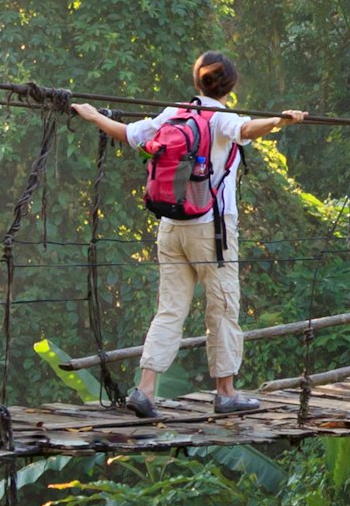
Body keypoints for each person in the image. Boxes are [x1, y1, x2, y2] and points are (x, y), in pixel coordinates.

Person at [63, 53, 306, 418]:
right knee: (222, 306)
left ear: (197, 82)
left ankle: (145, 389)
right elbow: (247, 130)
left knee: (170, 308)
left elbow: (128, 135)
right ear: (232, 86)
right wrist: (281, 121)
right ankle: (226, 392)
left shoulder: (174, 113)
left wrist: (94, 115)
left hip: (171, 225)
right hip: (212, 229)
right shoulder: (222, 117)